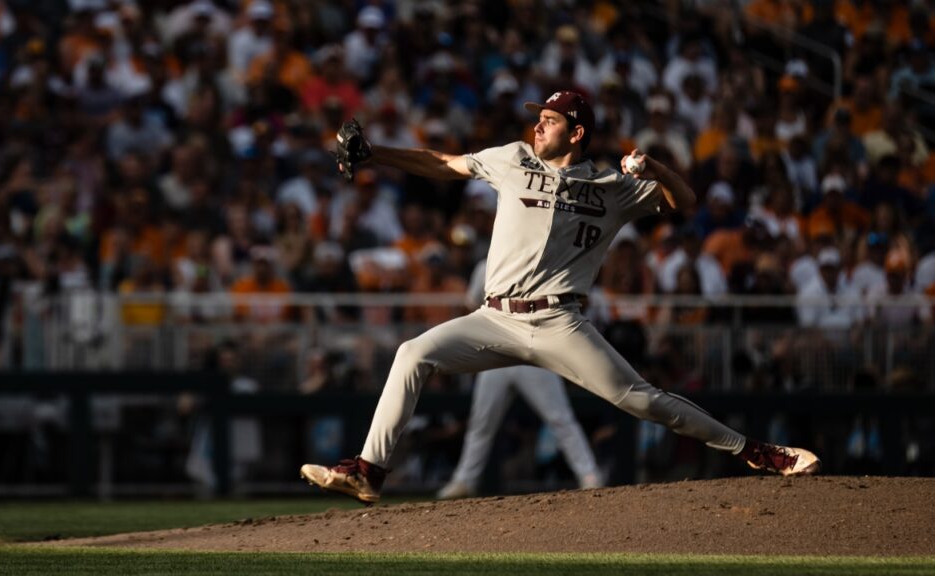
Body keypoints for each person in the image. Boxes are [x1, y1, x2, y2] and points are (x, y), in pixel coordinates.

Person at [300, 90, 820, 505]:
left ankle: (757, 451)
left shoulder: (612, 187)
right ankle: (367, 472)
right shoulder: (512, 159)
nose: (537, 125)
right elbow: (441, 162)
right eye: (537, 117)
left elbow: (686, 202)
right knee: (412, 353)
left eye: (548, 119)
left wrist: (656, 169)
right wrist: (376, 156)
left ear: (576, 132)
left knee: (643, 400)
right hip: (494, 318)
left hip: (558, 323)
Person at [436, 259, 605, 500]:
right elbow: (472, 305)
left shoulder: (541, 261)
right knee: (481, 422)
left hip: (533, 350)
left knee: (559, 418)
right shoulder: (486, 265)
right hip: (496, 351)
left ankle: (590, 475)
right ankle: (465, 480)